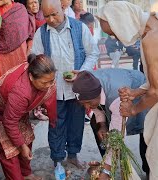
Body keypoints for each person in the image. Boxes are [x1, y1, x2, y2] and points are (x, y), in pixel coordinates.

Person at [96, 1, 158, 179]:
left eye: (113, 34)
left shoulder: (151, 37)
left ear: (121, 22)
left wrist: (132, 109)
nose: (116, 40)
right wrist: (135, 92)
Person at [31, 0, 99, 169]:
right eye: (46, 16)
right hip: (54, 89)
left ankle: (73, 155)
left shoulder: (79, 28)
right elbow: (35, 58)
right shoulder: (41, 33)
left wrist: (81, 73)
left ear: (62, 9)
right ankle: (57, 158)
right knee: (55, 124)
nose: (51, 19)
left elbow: (93, 53)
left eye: (54, 14)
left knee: (76, 124)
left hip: (77, 90)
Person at [72, 69, 150, 179]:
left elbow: (117, 136)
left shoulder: (118, 98)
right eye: (83, 104)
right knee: (97, 124)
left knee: (146, 131)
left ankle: (149, 171)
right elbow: (96, 108)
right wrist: (102, 125)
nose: (86, 107)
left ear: (98, 94)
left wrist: (106, 170)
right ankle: (108, 163)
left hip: (138, 88)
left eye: (88, 103)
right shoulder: (89, 85)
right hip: (112, 88)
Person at [0, 54, 57, 179]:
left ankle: (26, 175)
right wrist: (21, 146)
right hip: (1, 116)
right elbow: (10, 122)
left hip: (17, 112)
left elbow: (50, 97)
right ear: (31, 77)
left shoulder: (45, 78)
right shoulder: (21, 92)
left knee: (27, 140)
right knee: (10, 152)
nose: (49, 85)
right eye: (44, 82)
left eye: (52, 81)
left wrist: (54, 122)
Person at [0, 0, 35, 81]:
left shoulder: (20, 9)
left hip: (20, 55)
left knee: (20, 85)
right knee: (2, 86)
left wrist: (29, 50)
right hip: (1, 58)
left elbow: (29, 34)